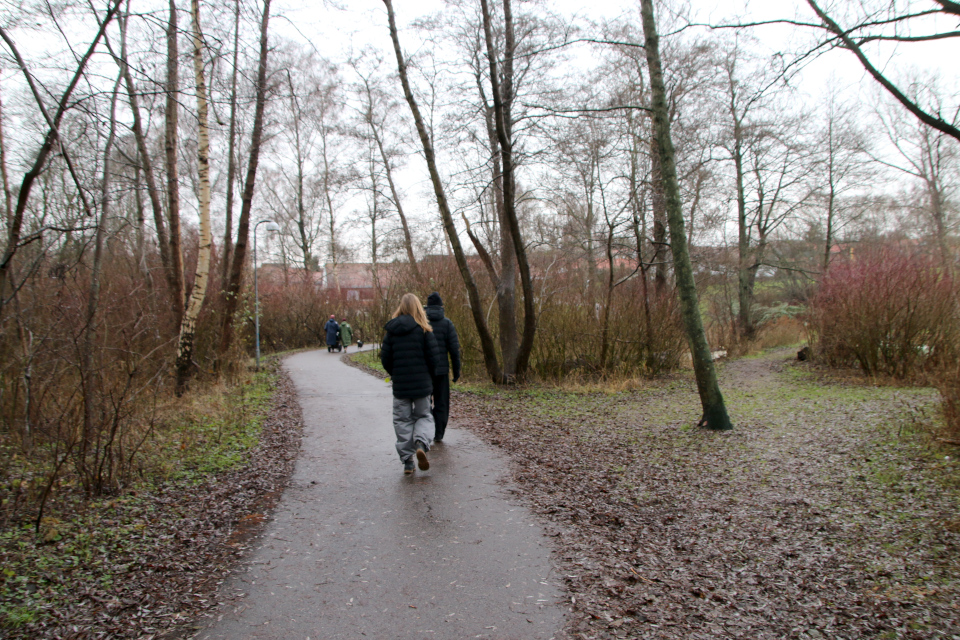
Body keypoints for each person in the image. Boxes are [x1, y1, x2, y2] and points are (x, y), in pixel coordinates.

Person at [380, 293, 440, 475]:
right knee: (424, 415)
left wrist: (395, 373)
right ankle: (421, 442)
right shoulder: (424, 330)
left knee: (402, 420)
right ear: (418, 308)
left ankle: (407, 461)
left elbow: (385, 358)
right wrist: (429, 376)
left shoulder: (392, 331)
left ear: (401, 307)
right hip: (422, 383)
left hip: (401, 386)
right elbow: (434, 359)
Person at [424, 292, 461, 442]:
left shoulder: (421, 323)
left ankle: (426, 430)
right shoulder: (447, 324)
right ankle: (438, 433)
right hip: (441, 371)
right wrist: (456, 370)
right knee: (441, 402)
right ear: (441, 307)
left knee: (425, 403)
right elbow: (454, 349)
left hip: (425, 371)